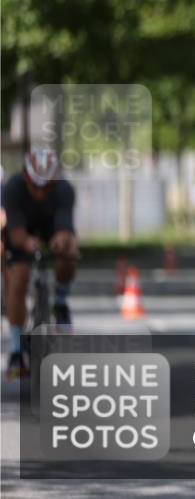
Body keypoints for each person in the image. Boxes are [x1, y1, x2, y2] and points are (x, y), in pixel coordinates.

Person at [2, 147, 79, 378]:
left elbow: (65, 230)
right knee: (19, 278)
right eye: (35, 186)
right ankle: (16, 350)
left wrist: (60, 240)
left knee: (70, 250)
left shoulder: (64, 190)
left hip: (51, 227)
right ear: (26, 178)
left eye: (46, 187)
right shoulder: (13, 188)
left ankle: (61, 302)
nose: (39, 192)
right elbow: (15, 234)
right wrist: (28, 243)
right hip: (22, 229)